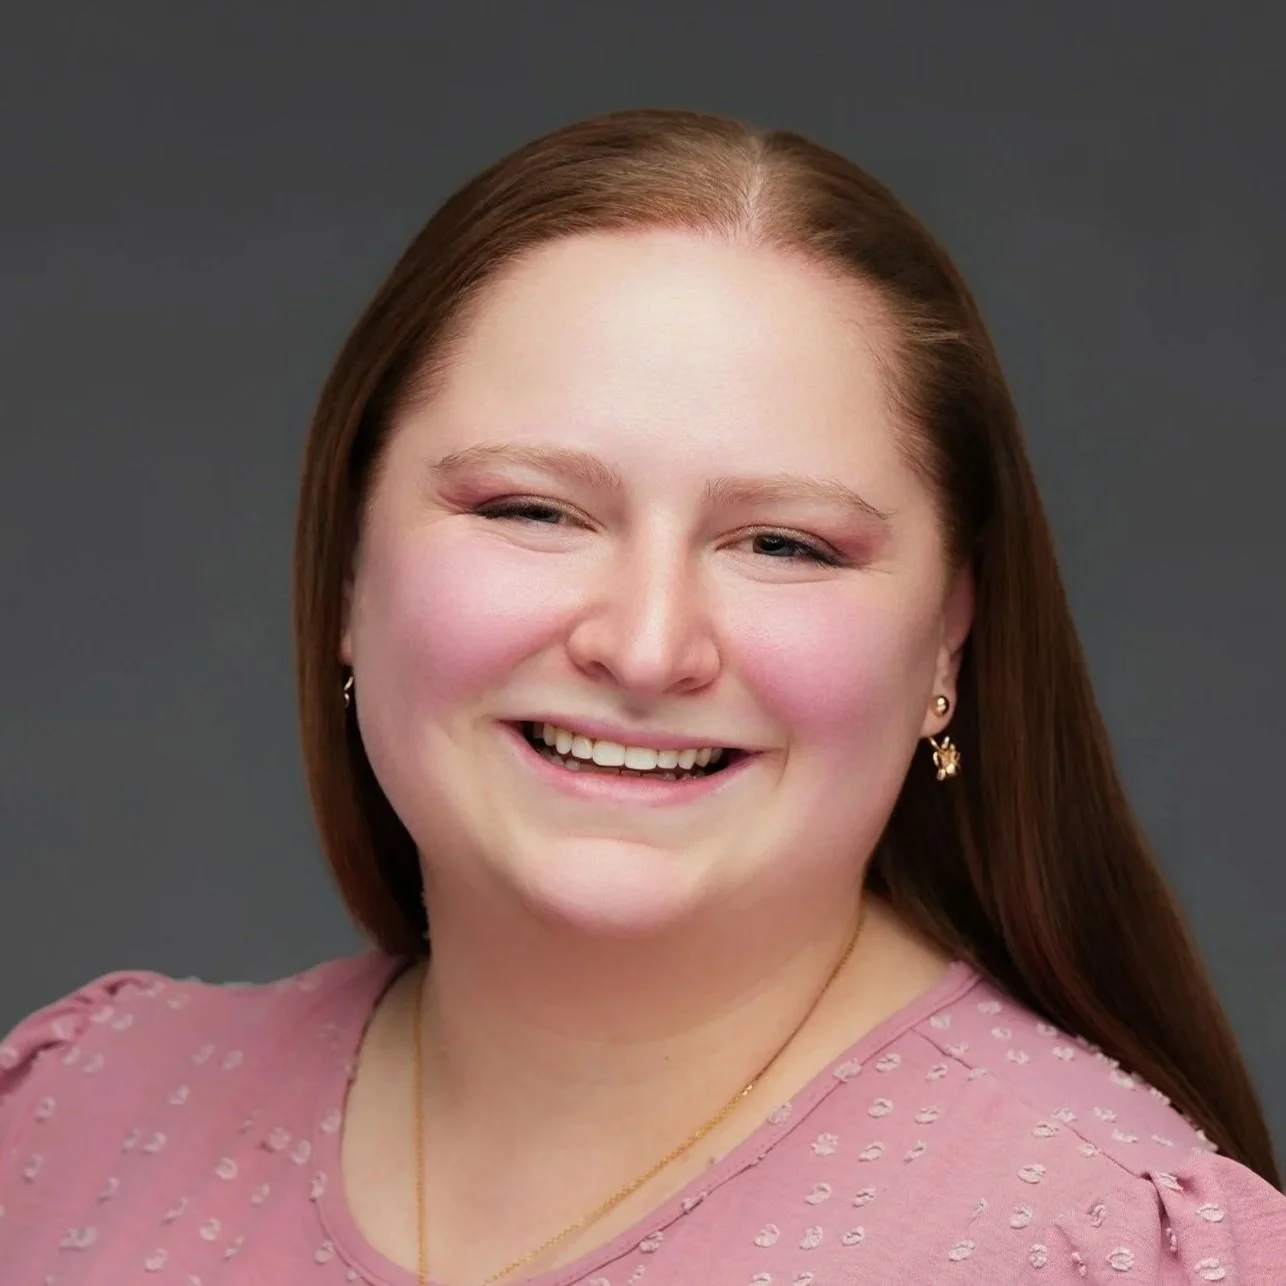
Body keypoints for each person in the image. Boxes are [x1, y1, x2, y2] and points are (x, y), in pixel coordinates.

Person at [1, 107, 1283, 1285]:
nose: (647, 643)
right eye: (532, 509)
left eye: (782, 542)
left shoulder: (1106, 1248)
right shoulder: (72, 1119)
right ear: (346, 574)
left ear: (946, 642)